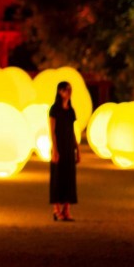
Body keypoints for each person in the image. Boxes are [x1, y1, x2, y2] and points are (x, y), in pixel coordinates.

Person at [49, 80, 80, 221]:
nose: (69, 92)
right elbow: (52, 131)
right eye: (66, 90)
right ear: (60, 92)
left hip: (69, 147)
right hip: (59, 146)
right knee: (57, 178)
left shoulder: (71, 111)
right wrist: (55, 150)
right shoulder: (54, 110)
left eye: (70, 89)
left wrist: (77, 149)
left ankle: (67, 210)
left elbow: (72, 131)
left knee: (69, 178)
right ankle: (56, 210)